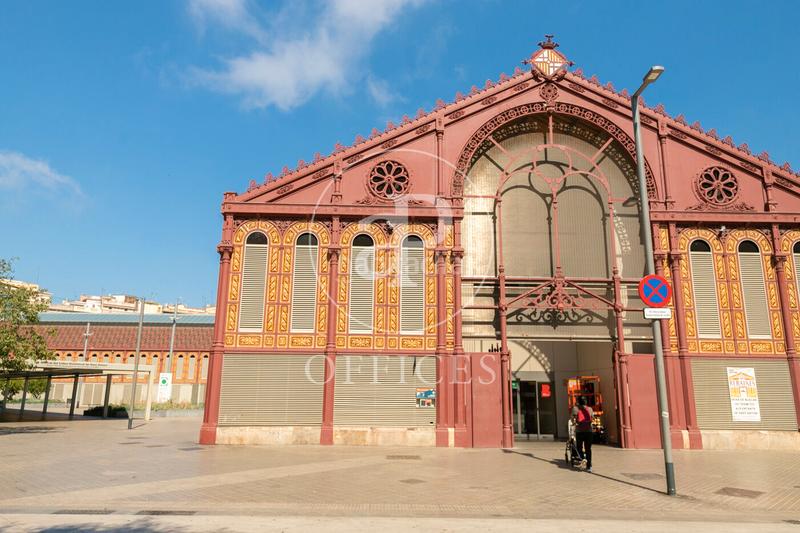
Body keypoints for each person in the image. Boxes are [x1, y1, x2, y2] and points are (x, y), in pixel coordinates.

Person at [571, 396, 594, 473]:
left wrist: (575, 423)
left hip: (579, 431)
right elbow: (592, 418)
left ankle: (583, 458)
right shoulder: (590, 409)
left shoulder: (575, 409)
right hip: (589, 431)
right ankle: (589, 466)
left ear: (578, 401)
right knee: (588, 449)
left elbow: (573, 420)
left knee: (579, 447)